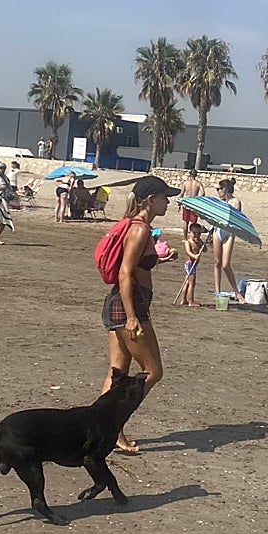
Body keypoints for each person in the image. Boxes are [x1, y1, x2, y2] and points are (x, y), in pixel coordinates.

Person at [100, 175, 180, 453]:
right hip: (128, 306)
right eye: (164, 197)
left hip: (122, 304)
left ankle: (101, 429)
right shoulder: (140, 229)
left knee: (117, 373)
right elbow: (124, 272)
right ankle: (113, 426)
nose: (168, 202)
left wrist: (160, 259)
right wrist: (133, 316)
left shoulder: (140, 227)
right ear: (150, 200)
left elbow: (135, 267)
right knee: (153, 371)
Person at [212, 178, 245, 302]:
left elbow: (234, 217)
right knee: (216, 262)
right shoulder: (219, 202)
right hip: (218, 231)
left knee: (225, 265)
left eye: (219, 189)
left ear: (224, 189)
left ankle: (237, 293)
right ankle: (217, 292)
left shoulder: (235, 201)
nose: (217, 191)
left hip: (229, 233)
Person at [181, 222, 205, 306]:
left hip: (194, 264)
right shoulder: (188, 242)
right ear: (189, 233)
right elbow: (188, 252)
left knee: (187, 282)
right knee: (192, 283)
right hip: (190, 264)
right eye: (194, 233)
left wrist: (200, 242)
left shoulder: (198, 241)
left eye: (198, 233)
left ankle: (184, 300)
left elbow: (204, 249)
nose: (196, 235)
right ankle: (190, 301)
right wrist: (194, 256)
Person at [179, 168, 205, 237]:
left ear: (190, 174)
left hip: (187, 203)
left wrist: (179, 203)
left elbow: (181, 194)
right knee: (194, 222)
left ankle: (185, 238)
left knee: (185, 221)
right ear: (196, 175)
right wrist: (198, 200)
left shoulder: (185, 183)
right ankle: (193, 237)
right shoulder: (198, 183)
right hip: (194, 204)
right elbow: (203, 193)